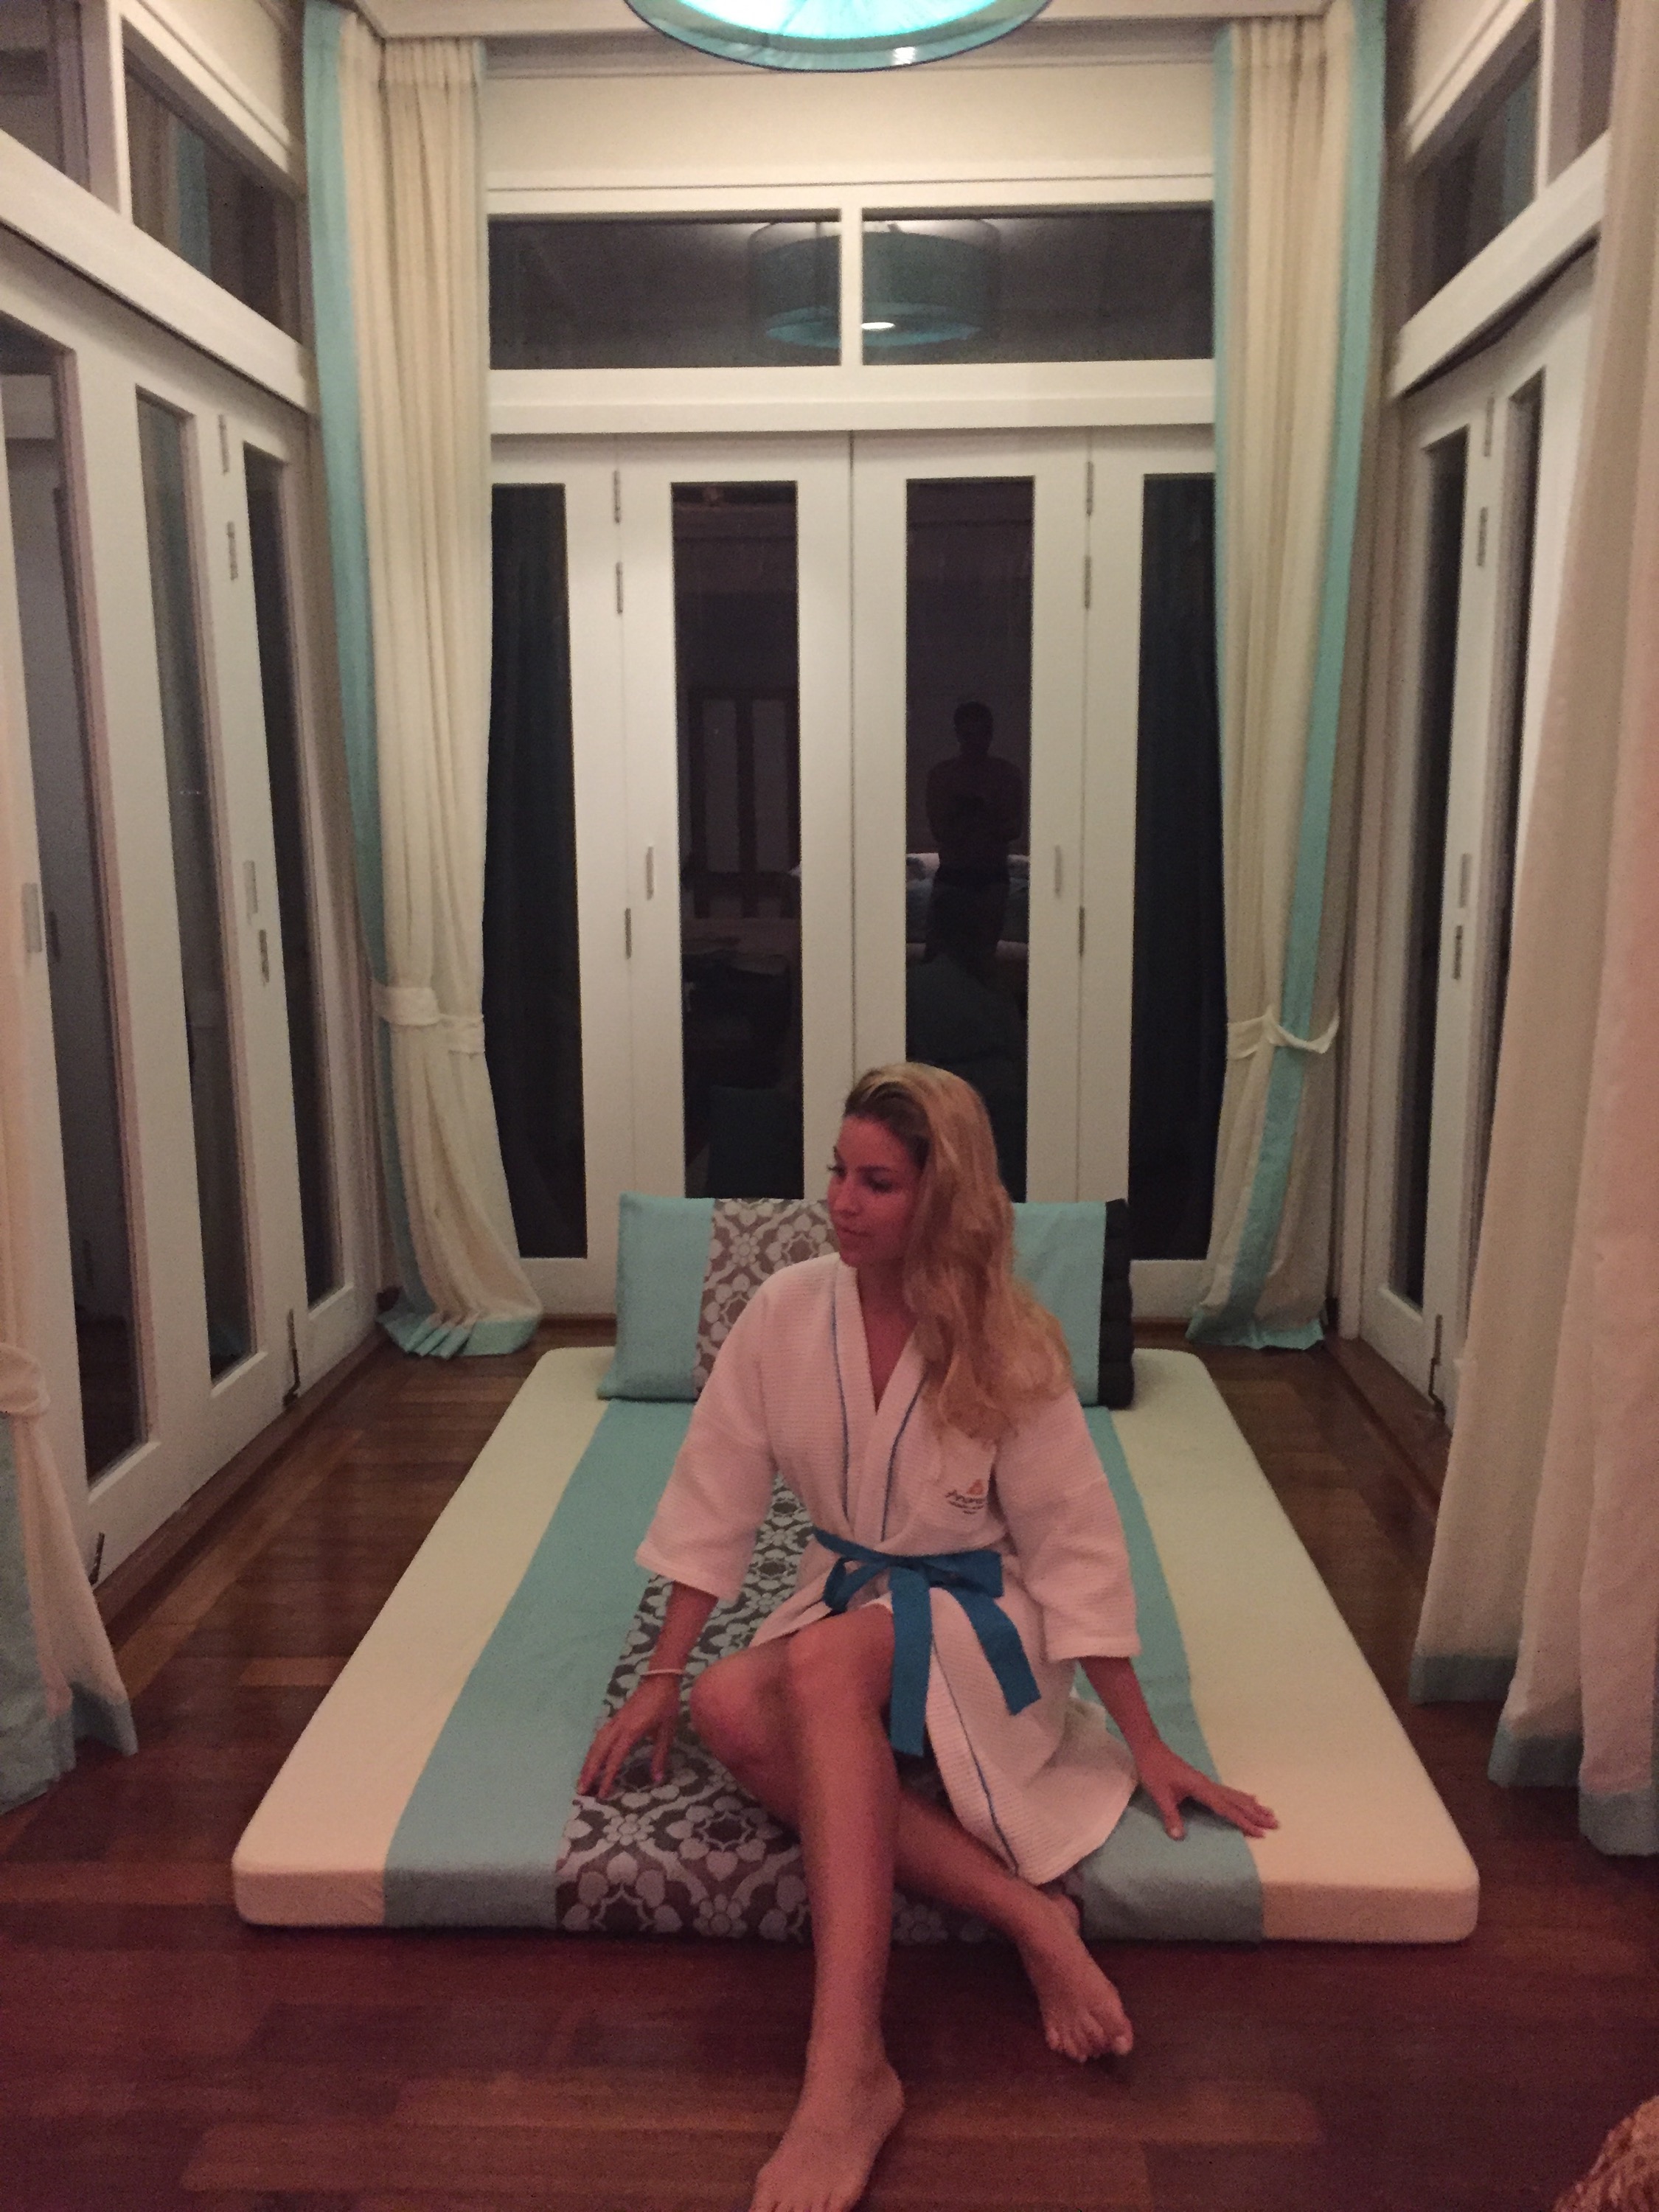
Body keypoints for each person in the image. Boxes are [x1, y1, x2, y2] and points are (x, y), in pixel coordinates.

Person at [579, 1064, 1275, 2212]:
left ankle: (847, 2069)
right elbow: (715, 1495)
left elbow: (1074, 1550)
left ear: (940, 1197)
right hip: (851, 1600)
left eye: (878, 1183)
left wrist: (1144, 1738)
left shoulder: (1008, 1342)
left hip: (984, 1622)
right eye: (837, 1174)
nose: (841, 1203)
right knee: (725, 1706)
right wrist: (662, 1675)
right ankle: (1027, 1914)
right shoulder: (784, 1312)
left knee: (821, 1661)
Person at [924, 700, 1026, 953]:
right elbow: (940, 830)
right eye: (969, 734)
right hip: (954, 873)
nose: (975, 742)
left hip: (990, 876)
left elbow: (1014, 828)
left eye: (981, 734)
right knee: (939, 953)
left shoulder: (1006, 775)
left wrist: (980, 814)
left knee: (982, 954)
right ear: (958, 734)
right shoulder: (942, 776)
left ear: (990, 734)